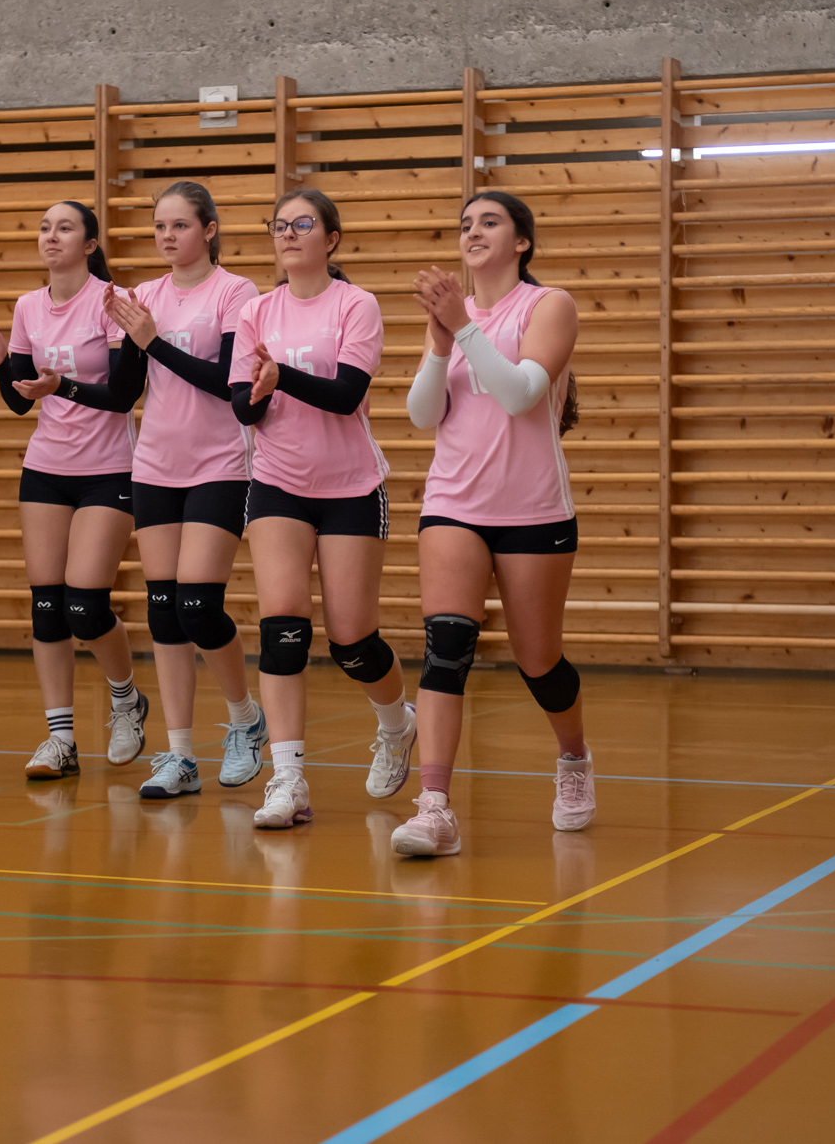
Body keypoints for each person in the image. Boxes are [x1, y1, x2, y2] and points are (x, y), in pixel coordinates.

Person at [394, 192, 591, 855]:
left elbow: (520, 394)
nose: (473, 231)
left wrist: (462, 328)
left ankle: (573, 757)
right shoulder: (454, 316)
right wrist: (439, 344)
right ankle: (434, 807)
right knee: (445, 647)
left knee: (540, 662)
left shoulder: (549, 305)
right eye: (465, 224)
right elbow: (424, 414)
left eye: (490, 221)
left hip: (533, 508)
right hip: (453, 504)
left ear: (521, 241)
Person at [228, 189, 411, 829]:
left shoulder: (356, 304)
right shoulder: (256, 311)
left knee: (352, 642)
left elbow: (346, 395)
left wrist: (281, 377)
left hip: (351, 488)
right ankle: (288, 778)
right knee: (282, 629)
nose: (287, 233)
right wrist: (257, 393)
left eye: (302, 224)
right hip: (278, 483)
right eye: (279, 225)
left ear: (330, 239)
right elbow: (243, 407)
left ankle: (397, 723)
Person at [0, 202, 153, 782]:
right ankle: (60, 739)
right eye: (44, 227)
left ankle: (126, 699)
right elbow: (23, 399)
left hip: (108, 469)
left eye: (64, 228)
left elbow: (121, 396)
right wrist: (0, 364)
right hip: (46, 467)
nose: (51, 236)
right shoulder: (27, 306)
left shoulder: (112, 301)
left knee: (84, 606)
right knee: (47, 606)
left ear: (90, 244)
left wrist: (61, 385)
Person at [99, 182, 267, 798]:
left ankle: (246, 719)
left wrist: (153, 341)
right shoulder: (143, 296)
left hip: (219, 464)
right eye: (159, 226)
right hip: (154, 467)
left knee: (198, 604)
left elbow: (226, 381)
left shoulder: (236, 292)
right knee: (164, 611)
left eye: (180, 225)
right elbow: (124, 393)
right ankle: (179, 755)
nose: (167, 236)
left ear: (210, 229)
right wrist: (120, 343)